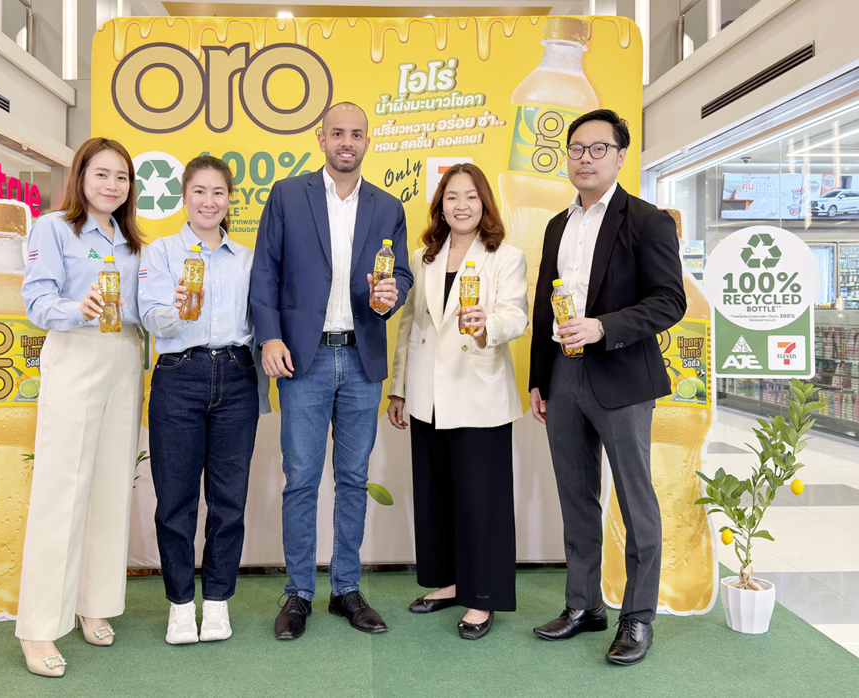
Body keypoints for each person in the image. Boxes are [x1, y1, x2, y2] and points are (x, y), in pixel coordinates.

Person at [528, 109, 686, 665]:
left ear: (620, 156)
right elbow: (544, 303)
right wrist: (539, 378)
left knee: (635, 500)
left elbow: (670, 301)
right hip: (563, 375)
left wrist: (602, 327)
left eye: (598, 148)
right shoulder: (557, 224)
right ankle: (583, 605)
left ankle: (638, 617)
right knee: (575, 497)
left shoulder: (647, 220)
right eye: (576, 148)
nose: (585, 158)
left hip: (622, 376)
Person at [250, 102, 414, 640]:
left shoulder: (388, 206)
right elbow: (265, 271)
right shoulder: (286, 195)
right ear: (321, 138)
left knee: (352, 479)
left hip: (363, 357)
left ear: (367, 141)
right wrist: (270, 336)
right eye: (338, 133)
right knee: (300, 479)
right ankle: (299, 592)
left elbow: (402, 274)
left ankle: (346, 588)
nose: (347, 141)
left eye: (356, 134)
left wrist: (392, 293)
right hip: (304, 357)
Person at [16, 137, 145, 677]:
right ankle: (39, 627)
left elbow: (144, 308)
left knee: (111, 487)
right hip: (75, 352)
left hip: (125, 357)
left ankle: (95, 605)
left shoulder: (133, 241)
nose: (112, 185)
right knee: (61, 490)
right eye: (102, 174)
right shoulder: (54, 228)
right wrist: (78, 307)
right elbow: (36, 300)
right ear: (81, 177)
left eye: (122, 177)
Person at [386, 163, 528, 640]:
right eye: (451, 197)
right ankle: (447, 582)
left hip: (477, 390)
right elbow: (409, 326)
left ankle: (481, 596)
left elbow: (516, 315)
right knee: (436, 494)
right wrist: (399, 387)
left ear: (484, 203)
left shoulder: (506, 257)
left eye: (470, 196)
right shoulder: (422, 257)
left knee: (481, 499)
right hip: (427, 394)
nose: (461, 205)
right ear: (440, 206)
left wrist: (488, 324)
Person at [138, 155, 269, 646]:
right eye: (199, 191)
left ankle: (216, 602)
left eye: (218, 192)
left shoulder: (248, 258)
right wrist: (177, 309)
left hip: (236, 376)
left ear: (230, 199)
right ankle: (179, 605)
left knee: (228, 500)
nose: (209, 201)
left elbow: (262, 321)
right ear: (184, 196)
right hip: (178, 376)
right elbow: (150, 316)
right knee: (175, 500)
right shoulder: (161, 252)